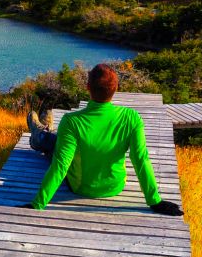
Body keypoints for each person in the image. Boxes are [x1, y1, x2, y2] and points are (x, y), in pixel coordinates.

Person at [21, 63, 183, 216]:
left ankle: (39, 134)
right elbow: (141, 158)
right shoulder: (131, 118)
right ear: (116, 88)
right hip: (115, 186)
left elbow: (61, 165)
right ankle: (44, 130)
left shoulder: (72, 120)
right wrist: (155, 201)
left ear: (88, 88)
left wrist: (38, 204)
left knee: (52, 145)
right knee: (58, 140)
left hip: (80, 187)